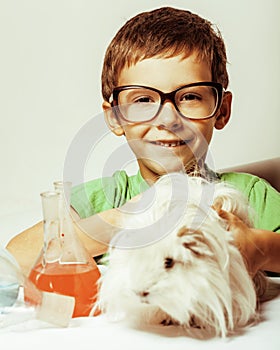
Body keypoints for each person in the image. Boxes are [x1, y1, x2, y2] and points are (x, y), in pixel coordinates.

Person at [6, 7, 280, 277]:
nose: (168, 118)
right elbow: (16, 258)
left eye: (191, 97)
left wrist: (260, 249)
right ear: (115, 118)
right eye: (143, 100)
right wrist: (127, 219)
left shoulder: (250, 195)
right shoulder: (106, 198)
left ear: (221, 111)